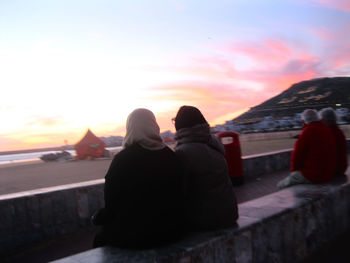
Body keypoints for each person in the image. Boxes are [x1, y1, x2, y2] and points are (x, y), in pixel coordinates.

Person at [92, 108, 185, 249]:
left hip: (134, 237)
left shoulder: (122, 160)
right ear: (154, 126)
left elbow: (111, 203)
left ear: (130, 128)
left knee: (99, 240)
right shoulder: (171, 156)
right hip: (172, 232)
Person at [173, 105, 238, 231]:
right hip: (229, 214)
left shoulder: (183, 152)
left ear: (180, 127)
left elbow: (181, 190)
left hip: (206, 220)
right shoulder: (214, 143)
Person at [277, 109, 336, 189]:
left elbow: (297, 156)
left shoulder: (307, 131)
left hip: (314, 175)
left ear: (304, 121)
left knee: (281, 185)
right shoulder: (327, 130)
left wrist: (294, 172)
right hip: (328, 173)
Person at [319, 107, 348, 176]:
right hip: (341, 167)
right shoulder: (338, 131)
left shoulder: (328, 133)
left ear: (328, 120)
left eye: (322, 119)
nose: (321, 121)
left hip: (333, 169)